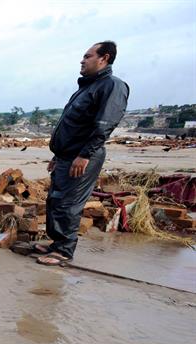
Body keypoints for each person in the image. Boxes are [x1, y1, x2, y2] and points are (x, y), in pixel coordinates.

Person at [36, 41, 129, 266]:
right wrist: (58, 155)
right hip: (68, 155)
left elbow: (104, 125)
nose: (82, 60)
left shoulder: (111, 86)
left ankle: (64, 251)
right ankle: (57, 244)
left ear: (103, 58)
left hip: (83, 156)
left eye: (87, 56)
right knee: (56, 200)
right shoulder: (87, 87)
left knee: (69, 202)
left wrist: (84, 155)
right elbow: (74, 126)